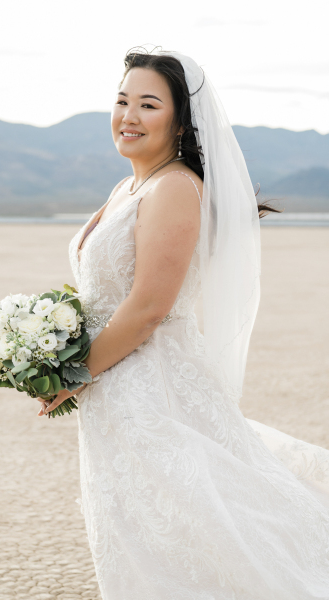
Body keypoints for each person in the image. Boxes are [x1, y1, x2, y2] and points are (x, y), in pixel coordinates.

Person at [38, 48, 329, 599]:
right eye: (122, 100)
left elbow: (149, 306)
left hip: (154, 391)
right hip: (116, 393)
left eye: (148, 104)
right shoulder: (129, 187)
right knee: (141, 532)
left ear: (180, 120)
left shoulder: (174, 187)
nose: (128, 115)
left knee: (194, 533)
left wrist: (73, 373)